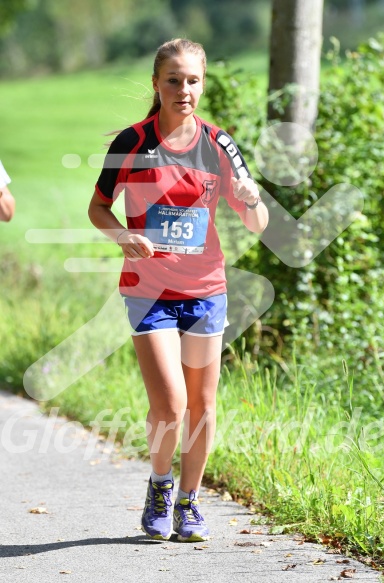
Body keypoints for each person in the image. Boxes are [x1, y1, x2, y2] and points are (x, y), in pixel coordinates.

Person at [88, 38, 268, 543]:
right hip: (148, 289)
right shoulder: (131, 142)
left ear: (202, 84)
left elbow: (257, 223)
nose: (183, 90)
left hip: (206, 289)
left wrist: (252, 199)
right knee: (169, 404)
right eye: (173, 80)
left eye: (192, 80)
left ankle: (190, 503)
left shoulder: (219, 144)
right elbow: (98, 207)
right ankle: (161, 486)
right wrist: (124, 235)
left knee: (203, 406)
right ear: (156, 84)